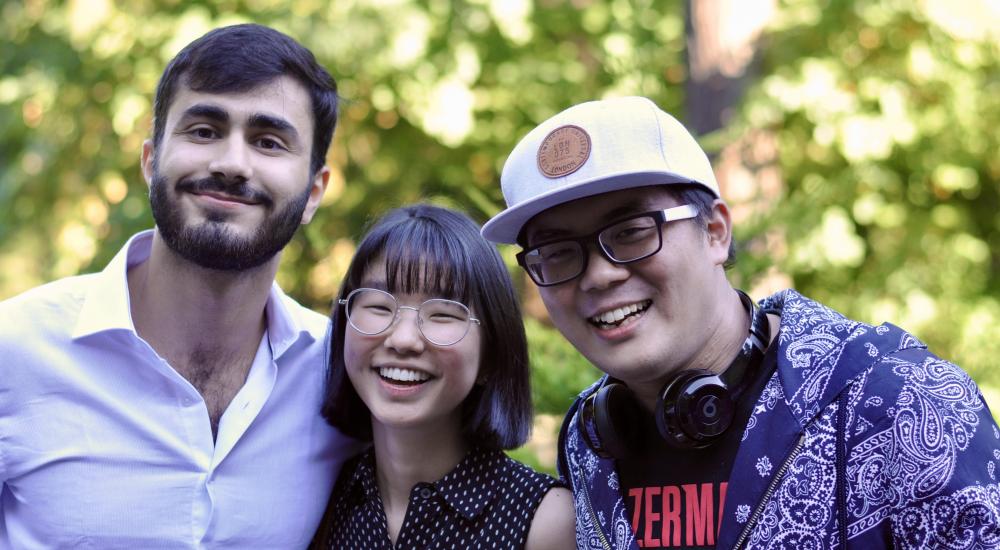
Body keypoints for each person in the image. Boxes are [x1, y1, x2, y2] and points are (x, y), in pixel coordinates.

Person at [481, 96, 1000, 549]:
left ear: (714, 231)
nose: (598, 276)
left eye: (633, 231)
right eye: (556, 252)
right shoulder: (589, 437)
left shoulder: (904, 400)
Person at [0, 24, 360, 548]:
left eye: (268, 141)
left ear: (313, 192)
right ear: (150, 161)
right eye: (204, 130)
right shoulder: (15, 349)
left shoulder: (342, 375)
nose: (232, 164)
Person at [311, 204, 575, 549]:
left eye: (443, 314)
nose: (403, 339)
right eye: (379, 306)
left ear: (491, 354)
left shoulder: (544, 519)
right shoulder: (320, 494)